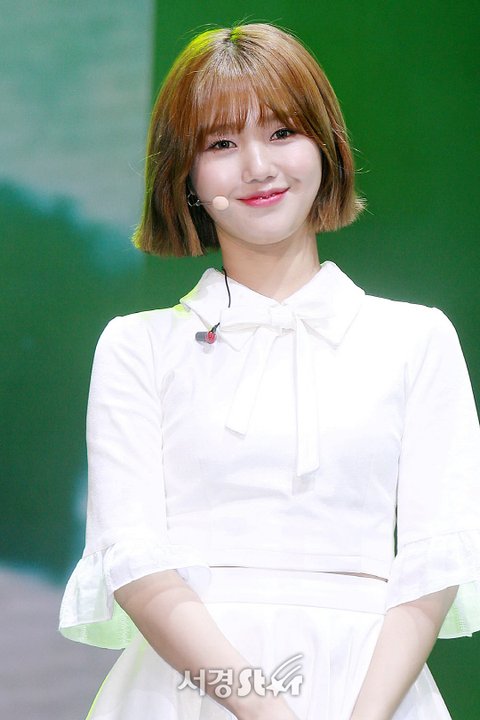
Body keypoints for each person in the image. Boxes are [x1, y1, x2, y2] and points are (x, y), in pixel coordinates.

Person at [59, 22, 480, 720]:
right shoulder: (138, 347)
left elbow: (435, 562)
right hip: (187, 695)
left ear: (325, 147)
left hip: (374, 691)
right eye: (221, 144)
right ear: (186, 176)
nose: (257, 166)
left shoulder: (417, 339)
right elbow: (134, 562)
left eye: (282, 132)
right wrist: (267, 712)